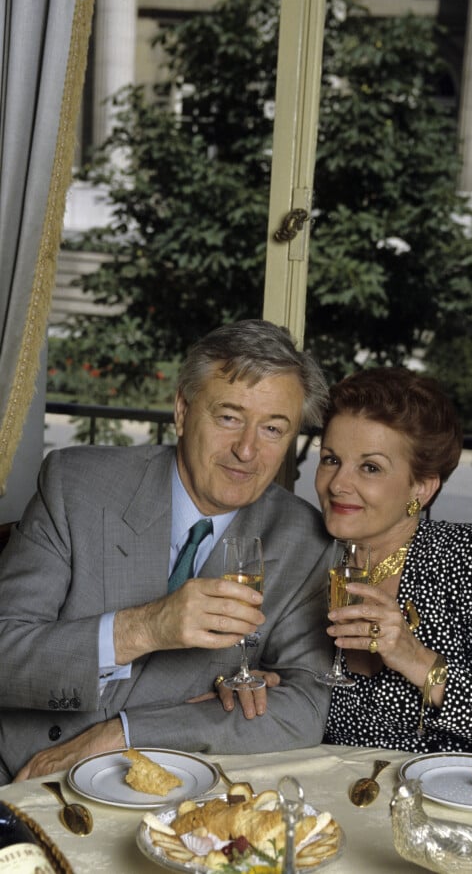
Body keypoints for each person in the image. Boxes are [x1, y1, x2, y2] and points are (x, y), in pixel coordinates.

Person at [0, 319, 333, 785]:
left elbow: (302, 710)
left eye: (274, 429)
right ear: (181, 411)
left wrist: (122, 735)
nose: (246, 450)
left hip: (171, 794)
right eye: (229, 417)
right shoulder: (74, 485)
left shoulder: (306, 540)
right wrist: (145, 627)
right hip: (21, 772)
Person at [313, 366, 472, 782]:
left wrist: (416, 660)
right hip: (357, 801)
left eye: (370, 468)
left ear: (421, 489)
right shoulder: (309, 560)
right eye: (331, 460)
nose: (339, 483)